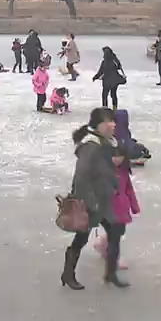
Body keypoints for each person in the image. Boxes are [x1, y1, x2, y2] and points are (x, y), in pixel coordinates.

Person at [62, 107, 128, 289]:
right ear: (98, 125)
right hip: (91, 202)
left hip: (104, 200)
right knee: (81, 238)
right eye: (108, 121)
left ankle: (111, 273)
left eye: (113, 120)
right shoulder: (91, 146)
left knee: (116, 231)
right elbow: (82, 176)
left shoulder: (105, 143)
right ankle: (68, 274)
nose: (113, 124)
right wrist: (90, 203)